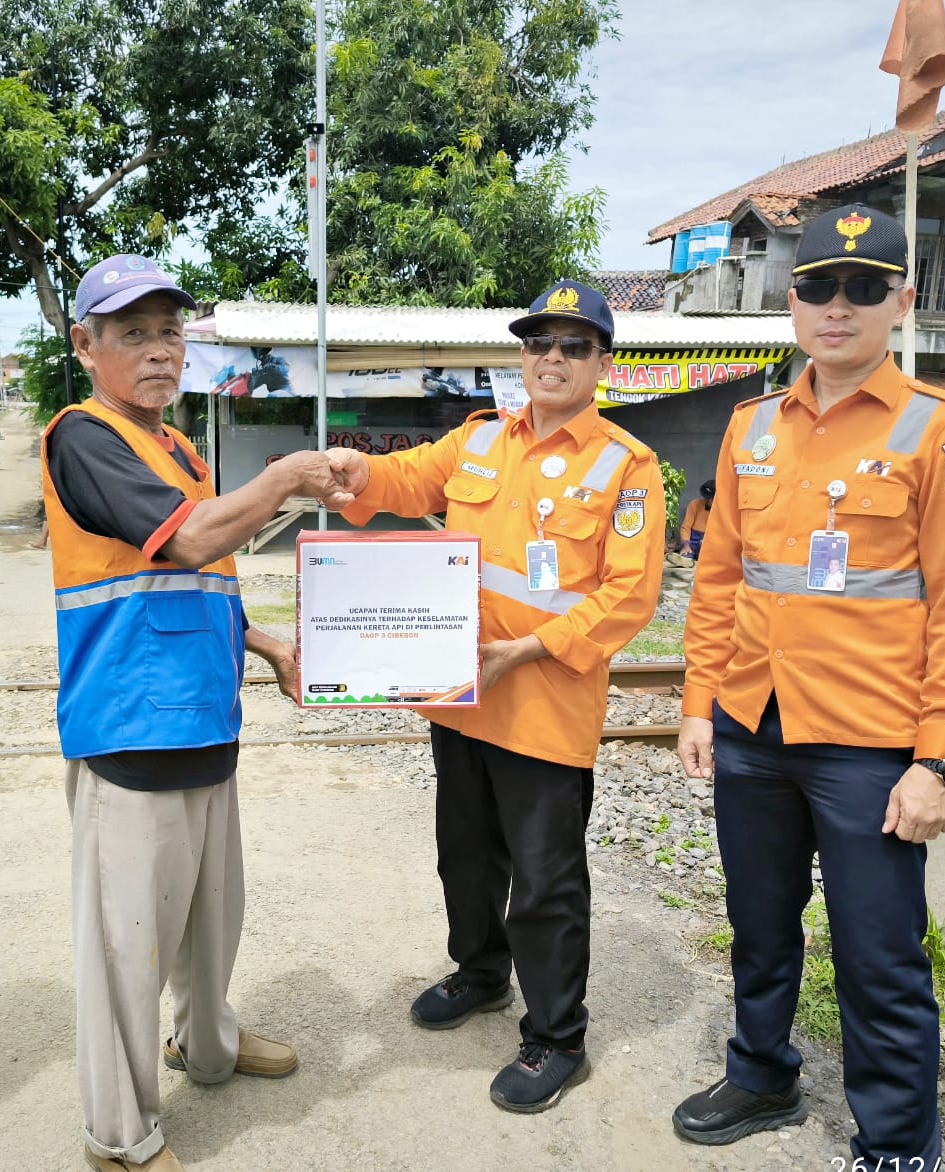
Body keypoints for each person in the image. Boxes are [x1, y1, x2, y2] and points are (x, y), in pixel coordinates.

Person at [672, 204, 945, 1164]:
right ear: (792, 302)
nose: (838, 307)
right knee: (759, 925)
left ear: (902, 301)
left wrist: (941, 761)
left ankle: (896, 1141)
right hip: (753, 727)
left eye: (864, 288)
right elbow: (720, 578)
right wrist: (699, 703)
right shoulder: (753, 426)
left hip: (869, 744)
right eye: (819, 287)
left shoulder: (944, 431)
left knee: (878, 950)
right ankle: (761, 1074)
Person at [327, 279, 664, 1113]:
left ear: (603, 362)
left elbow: (629, 594)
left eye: (574, 345)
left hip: (546, 705)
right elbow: (403, 479)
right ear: (522, 354)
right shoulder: (479, 439)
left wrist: (528, 648)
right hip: (462, 696)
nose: (553, 357)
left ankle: (557, 1037)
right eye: (539, 341)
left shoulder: (625, 465)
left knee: (546, 882)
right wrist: (354, 467)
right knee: (467, 857)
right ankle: (480, 973)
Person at [45, 254, 351, 1172]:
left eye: (169, 333)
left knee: (213, 919)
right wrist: (284, 477)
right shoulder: (85, 437)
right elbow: (184, 541)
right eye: (132, 334)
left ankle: (207, 1044)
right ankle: (118, 1136)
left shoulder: (177, 450)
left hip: (206, 722)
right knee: (128, 946)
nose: (157, 351)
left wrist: (269, 645)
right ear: (85, 345)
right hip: (132, 727)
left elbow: (204, 578)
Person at [678, 479, 715, 558]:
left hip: (711, 542)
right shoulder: (694, 504)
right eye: (706, 497)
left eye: (710, 498)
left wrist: (708, 541)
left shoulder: (722, 511)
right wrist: (685, 544)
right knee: (685, 558)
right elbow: (685, 528)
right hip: (692, 542)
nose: (707, 500)